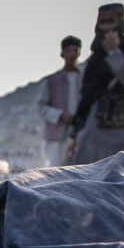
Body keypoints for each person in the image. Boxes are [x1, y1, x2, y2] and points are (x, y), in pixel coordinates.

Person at [67, 3, 124, 164]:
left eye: (111, 21)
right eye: (103, 22)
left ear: (120, 22)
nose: (107, 26)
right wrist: (74, 134)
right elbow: (86, 98)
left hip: (122, 126)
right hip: (93, 130)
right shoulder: (95, 60)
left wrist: (114, 54)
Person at [35, 35, 84, 168]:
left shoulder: (86, 79)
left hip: (81, 135)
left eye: (75, 50)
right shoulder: (51, 80)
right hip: (57, 137)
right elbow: (41, 106)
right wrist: (60, 115)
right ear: (62, 53)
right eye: (69, 50)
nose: (72, 54)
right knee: (55, 172)